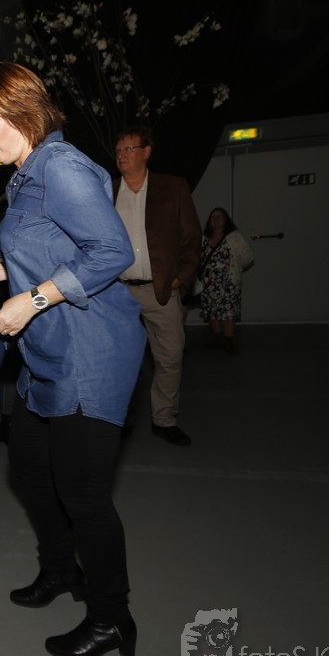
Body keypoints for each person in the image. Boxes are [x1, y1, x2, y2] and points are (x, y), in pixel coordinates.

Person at [0, 62, 146, 656]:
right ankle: (62, 569)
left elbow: (111, 250)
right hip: (46, 351)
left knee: (83, 493)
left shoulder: (60, 167)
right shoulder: (24, 175)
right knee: (30, 469)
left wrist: (32, 298)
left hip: (89, 349)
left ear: (26, 113)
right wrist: (1, 273)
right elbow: (51, 247)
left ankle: (112, 617)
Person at [112, 125, 201, 446]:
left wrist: (182, 276)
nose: (122, 155)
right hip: (117, 291)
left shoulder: (173, 187)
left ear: (146, 152)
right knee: (121, 360)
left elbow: (192, 237)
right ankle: (119, 418)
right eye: (118, 150)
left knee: (170, 356)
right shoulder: (107, 191)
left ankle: (164, 418)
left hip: (161, 289)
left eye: (129, 149)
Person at [197, 208, 254, 354]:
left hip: (228, 283)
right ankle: (217, 338)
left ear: (226, 219)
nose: (216, 219)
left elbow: (248, 257)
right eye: (213, 216)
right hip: (208, 283)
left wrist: (235, 267)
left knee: (228, 312)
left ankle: (229, 340)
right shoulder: (204, 238)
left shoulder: (234, 237)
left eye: (219, 216)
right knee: (212, 311)